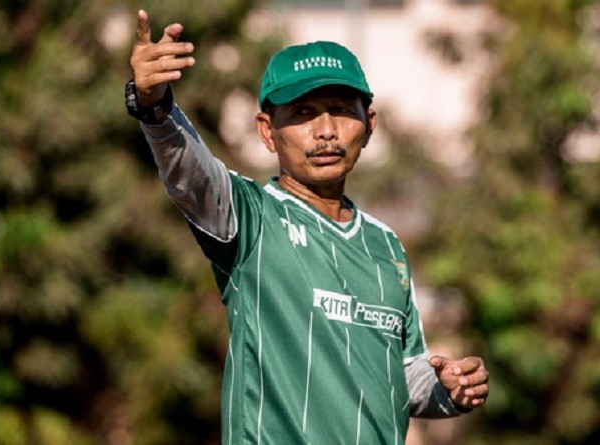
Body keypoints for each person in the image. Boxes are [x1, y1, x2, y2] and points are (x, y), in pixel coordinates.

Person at [125, 9, 489, 444]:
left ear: (369, 125)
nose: (325, 131)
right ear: (267, 131)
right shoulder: (249, 217)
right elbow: (191, 173)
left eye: (339, 109)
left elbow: (403, 374)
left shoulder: (386, 247)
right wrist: (155, 107)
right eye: (302, 112)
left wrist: (447, 389)